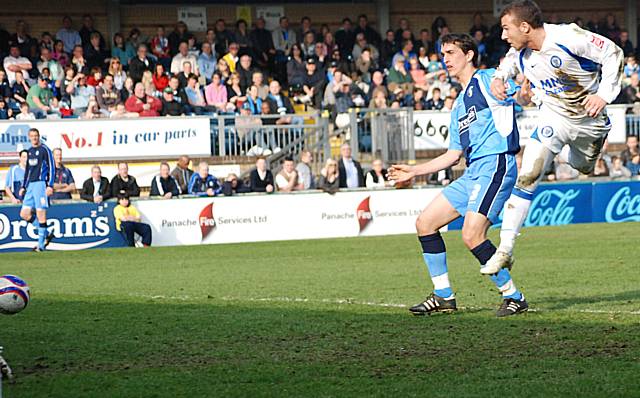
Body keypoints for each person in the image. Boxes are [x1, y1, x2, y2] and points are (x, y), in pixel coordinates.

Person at [388, 33, 526, 317]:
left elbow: (522, 92)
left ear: (470, 54)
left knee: (471, 234)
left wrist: (523, 92)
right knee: (425, 223)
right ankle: (443, 296)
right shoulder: (458, 106)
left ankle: (514, 296)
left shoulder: (489, 79)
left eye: (451, 52)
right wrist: (413, 171)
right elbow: (453, 156)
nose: (445, 59)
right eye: (443, 54)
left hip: (496, 163)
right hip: (473, 171)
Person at [484, 0, 624, 274]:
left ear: (524, 27)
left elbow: (613, 52)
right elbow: (506, 67)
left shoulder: (568, 37)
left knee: (582, 166)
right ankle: (505, 249)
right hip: (553, 119)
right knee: (527, 176)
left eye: (506, 29)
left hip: (589, 122)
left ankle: (575, 156)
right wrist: (498, 79)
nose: (503, 36)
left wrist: (603, 95)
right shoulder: (520, 52)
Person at [18, 128, 55, 252]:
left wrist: (50, 185)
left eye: (36, 136)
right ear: (29, 137)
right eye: (32, 136)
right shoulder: (30, 151)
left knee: (41, 214)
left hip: (41, 185)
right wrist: (23, 186)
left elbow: (52, 167)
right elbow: (28, 170)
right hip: (31, 186)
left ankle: (41, 245)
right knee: (24, 214)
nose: (34, 138)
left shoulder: (45, 150)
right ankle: (47, 232)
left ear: (39, 136)